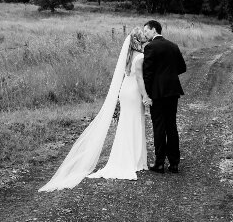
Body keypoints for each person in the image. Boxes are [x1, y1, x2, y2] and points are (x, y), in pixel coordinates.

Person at [38, 27, 152, 192]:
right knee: (135, 122)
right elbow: (140, 79)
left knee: (126, 123)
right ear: (140, 41)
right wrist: (145, 96)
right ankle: (134, 160)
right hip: (134, 92)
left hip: (124, 91)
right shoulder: (140, 57)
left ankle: (128, 157)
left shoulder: (128, 55)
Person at [142, 20, 187, 174]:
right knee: (171, 126)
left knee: (159, 127)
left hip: (157, 93)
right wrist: (169, 76)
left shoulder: (150, 47)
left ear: (154, 30)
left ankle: (159, 163)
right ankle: (174, 164)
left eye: (146, 31)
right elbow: (182, 67)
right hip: (173, 91)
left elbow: (147, 74)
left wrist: (147, 94)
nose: (145, 34)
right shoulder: (173, 46)